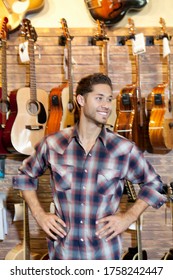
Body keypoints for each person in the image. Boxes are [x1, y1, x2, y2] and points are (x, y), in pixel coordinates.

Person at [13, 73, 166, 260]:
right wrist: (40, 215)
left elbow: (154, 184)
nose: (106, 105)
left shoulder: (123, 149)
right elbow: (24, 177)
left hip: (104, 255)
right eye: (99, 98)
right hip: (63, 255)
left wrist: (128, 217)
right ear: (80, 100)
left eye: (109, 99)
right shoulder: (53, 144)